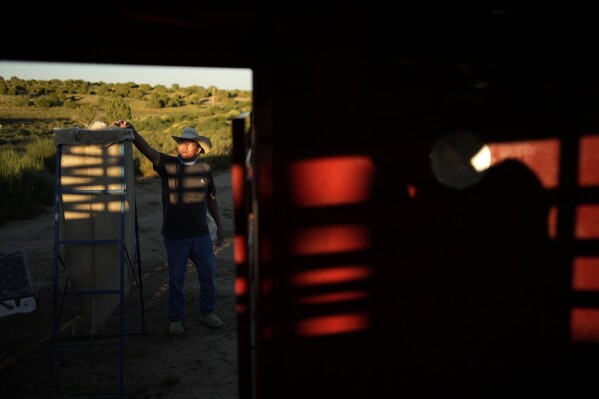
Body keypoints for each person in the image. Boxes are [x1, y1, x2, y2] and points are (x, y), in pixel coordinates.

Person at [111, 119, 224, 334]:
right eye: (181, 142)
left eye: (189, 143)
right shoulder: (169, 165)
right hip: (175, 234)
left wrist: (219, 224)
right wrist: (132, 130)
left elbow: (211, 198)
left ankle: (207, 312)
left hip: (201, 234)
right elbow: (148, 150)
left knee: (208, 274)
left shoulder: (205, 169)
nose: (183, 145)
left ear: (199, 148)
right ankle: (175, 318)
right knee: (176, 278)